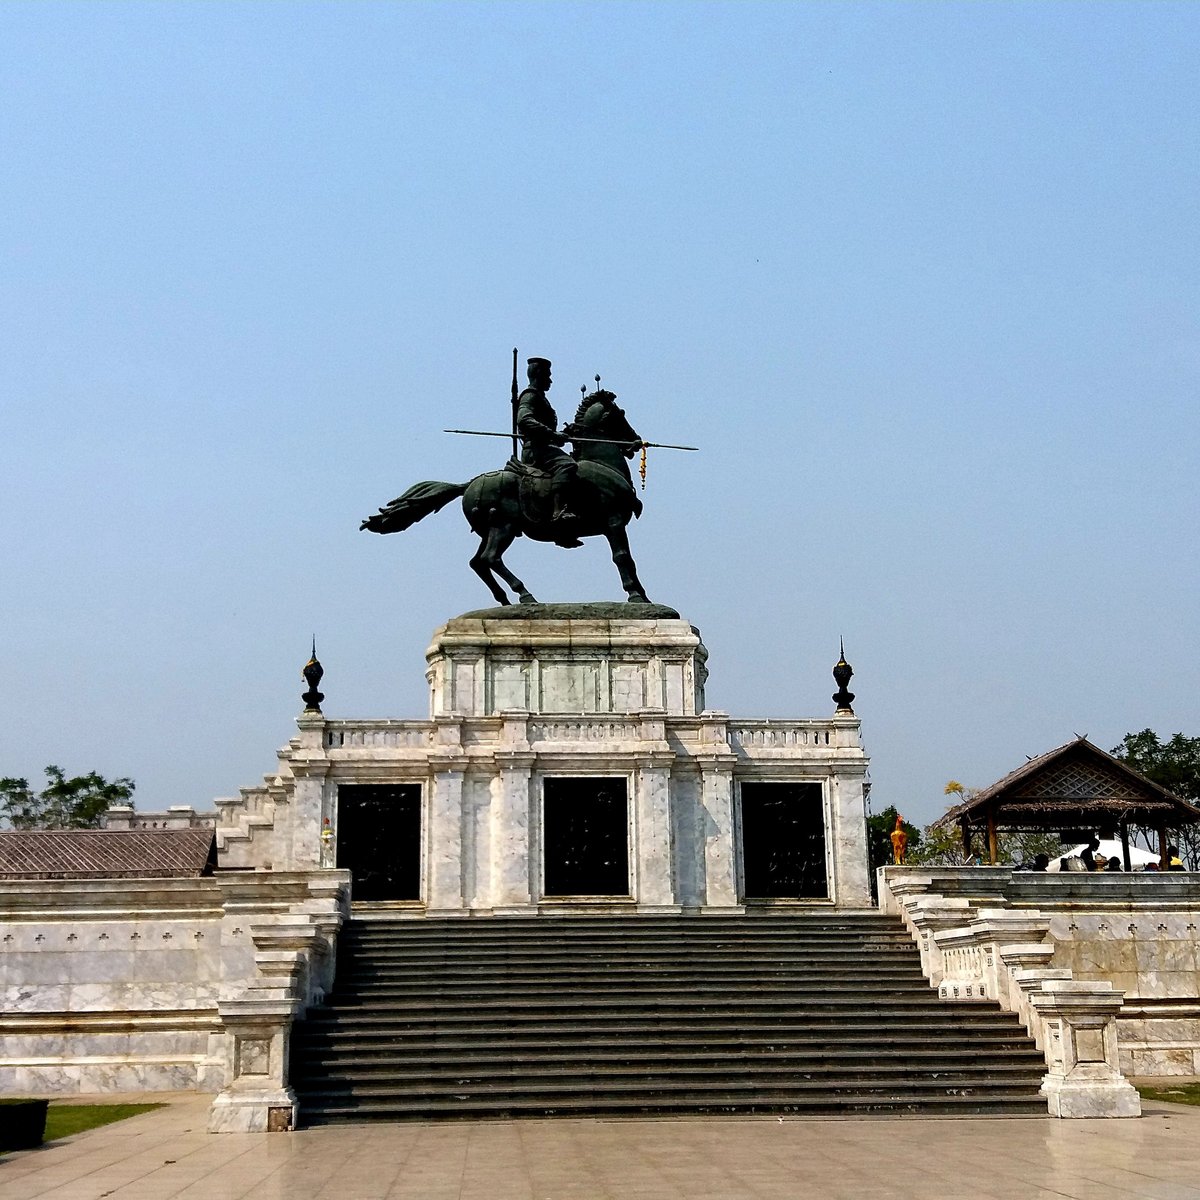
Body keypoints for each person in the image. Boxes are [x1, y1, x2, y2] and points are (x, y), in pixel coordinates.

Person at [514, 356, 583, 544]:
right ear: (538, 375)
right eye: (548, 376)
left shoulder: (541, 398)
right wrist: (553, 435)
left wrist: (562, 434)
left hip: (544, 447)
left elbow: (547, 433)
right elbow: (524, 420)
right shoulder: (530, 396)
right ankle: (558, 511)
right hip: (535, 451)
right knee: (568, 465)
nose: (550, 380)